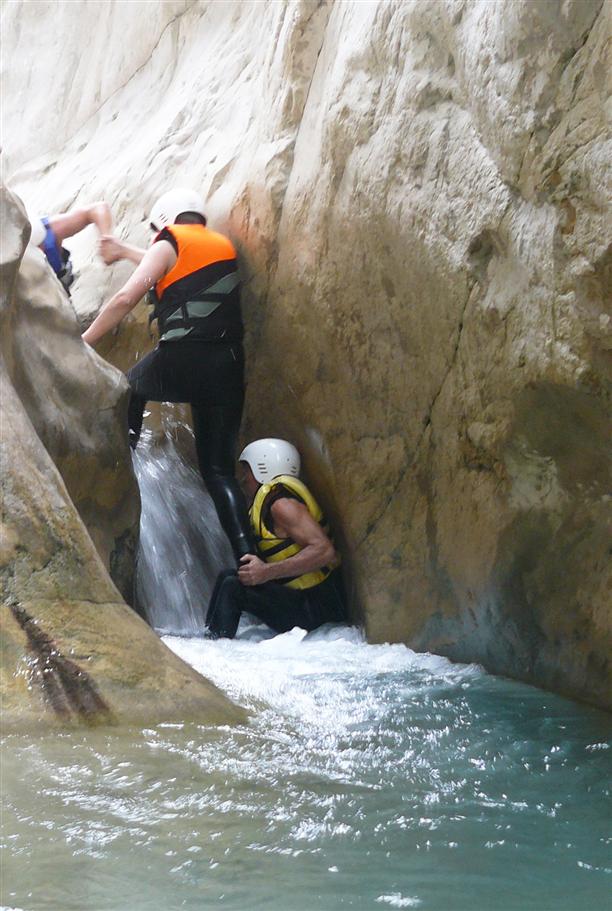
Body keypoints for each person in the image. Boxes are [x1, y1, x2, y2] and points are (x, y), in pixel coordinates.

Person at [81, 187, 255, 561]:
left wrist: (83, 342)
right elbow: (171, 268)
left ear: (164, 220)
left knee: (127, 387)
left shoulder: (168, 241)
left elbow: (125, 298)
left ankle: (125, 461)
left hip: (184, 358)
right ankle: (248, 558)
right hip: (228, 365)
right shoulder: (220, 246)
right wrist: (125, 251)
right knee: (218, 472)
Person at [205, 438, 348, 639]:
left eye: (247, 471)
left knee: (233, 588)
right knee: (228, 577)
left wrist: (266, 572)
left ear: (263, 468)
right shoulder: (272, 503)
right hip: (306, 602)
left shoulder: (282, 505)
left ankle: (215, 647)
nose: (244, 479)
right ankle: (209, 639)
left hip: (319, 608)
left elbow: (324, 551)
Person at [28, 202, 113, 294]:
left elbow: (97, 208)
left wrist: (107, 239)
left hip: (63, 276)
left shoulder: (50, 229)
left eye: (41, 244)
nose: (41, 250)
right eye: (36, 249)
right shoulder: (20, 269)